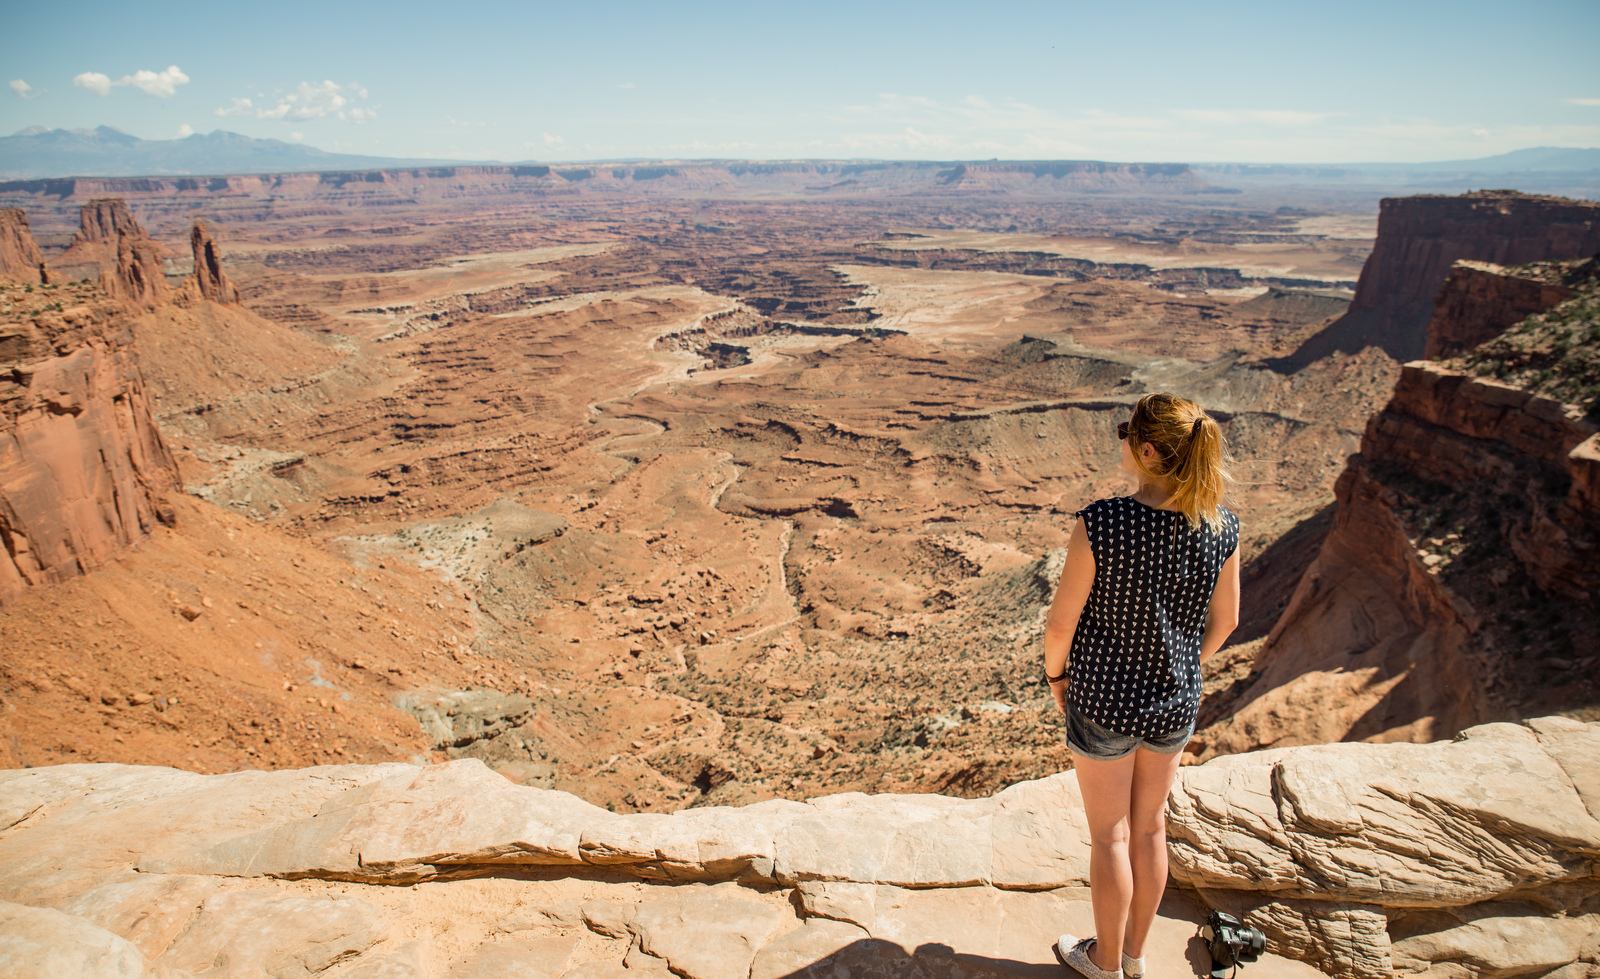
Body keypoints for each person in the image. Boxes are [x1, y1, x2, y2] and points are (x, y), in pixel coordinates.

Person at [1043, 392, 1241, 979]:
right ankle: (1134, 957)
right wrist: (1182, 662)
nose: (1124, 441)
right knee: (1151, 827)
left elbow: (1060, 624)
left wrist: (1059, 677)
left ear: (1147, 451)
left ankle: (1102, 962)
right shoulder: (1221, 524)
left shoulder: (1103, 523)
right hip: (1173, 703)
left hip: (1103, 699)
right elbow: (1227, 621)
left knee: (1110, 837)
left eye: (1128, 433)